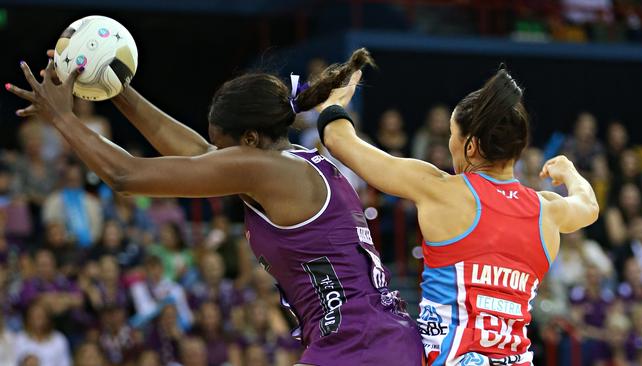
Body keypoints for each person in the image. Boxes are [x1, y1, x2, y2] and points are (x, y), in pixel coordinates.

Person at [7, 48, 424, 365]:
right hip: (376, 338)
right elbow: (198, 152)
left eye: (223, 150)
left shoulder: (267, 172)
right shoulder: (287, 164)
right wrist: (116, 87)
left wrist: (61, 118)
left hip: (360, 346)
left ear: (248, 142)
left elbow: (125, 176)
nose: (214, 161)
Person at [319, 67, 599, 365]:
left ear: (472, 146)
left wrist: (331, 103)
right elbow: (589, 206)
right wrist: (569, 172)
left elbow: (340, 142)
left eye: (453, 135)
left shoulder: (441, 190)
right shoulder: (548, 211)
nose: (451, 145)